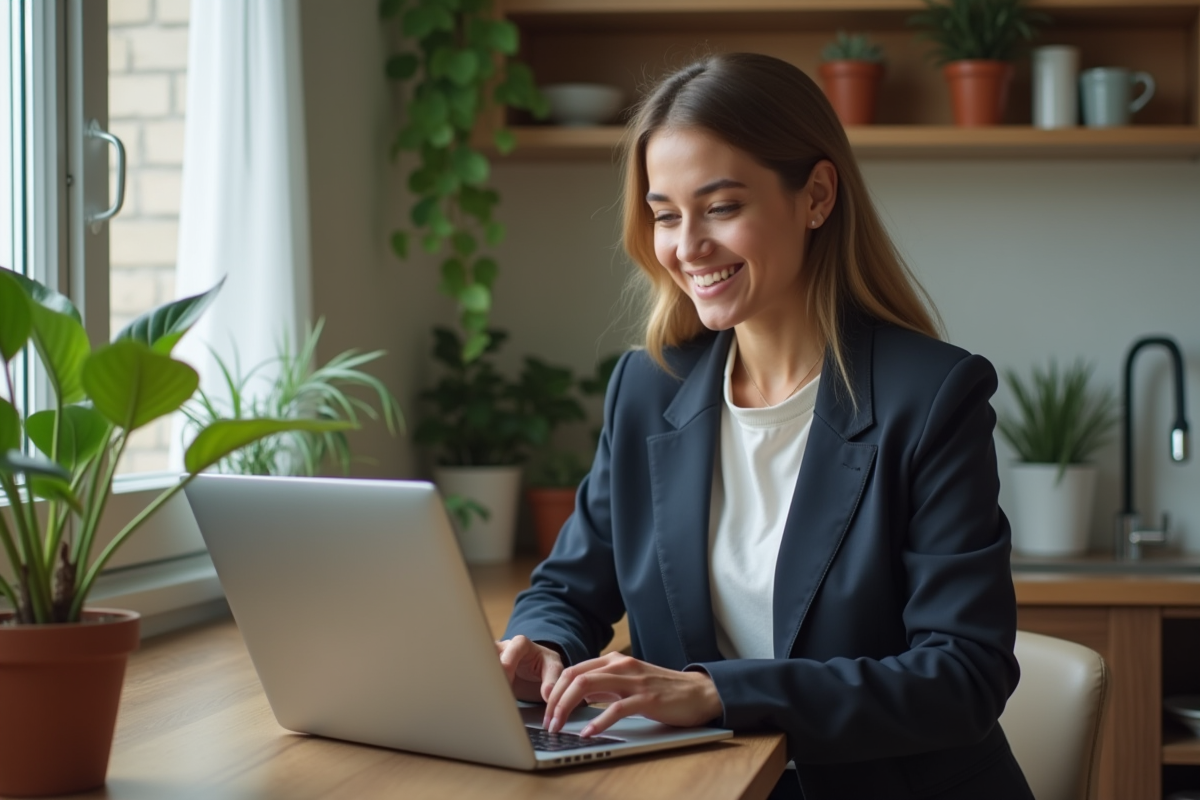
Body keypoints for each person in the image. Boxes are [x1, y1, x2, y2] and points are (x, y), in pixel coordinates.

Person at [496, 52, 1034, 800]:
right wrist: (542, 643)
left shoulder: (933, 396)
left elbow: (963, 674)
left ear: (816, 195)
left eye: (720, 207)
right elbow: (570, 587)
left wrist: (718, 693)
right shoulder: (649, 388)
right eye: (664, 215)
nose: (687, 247)